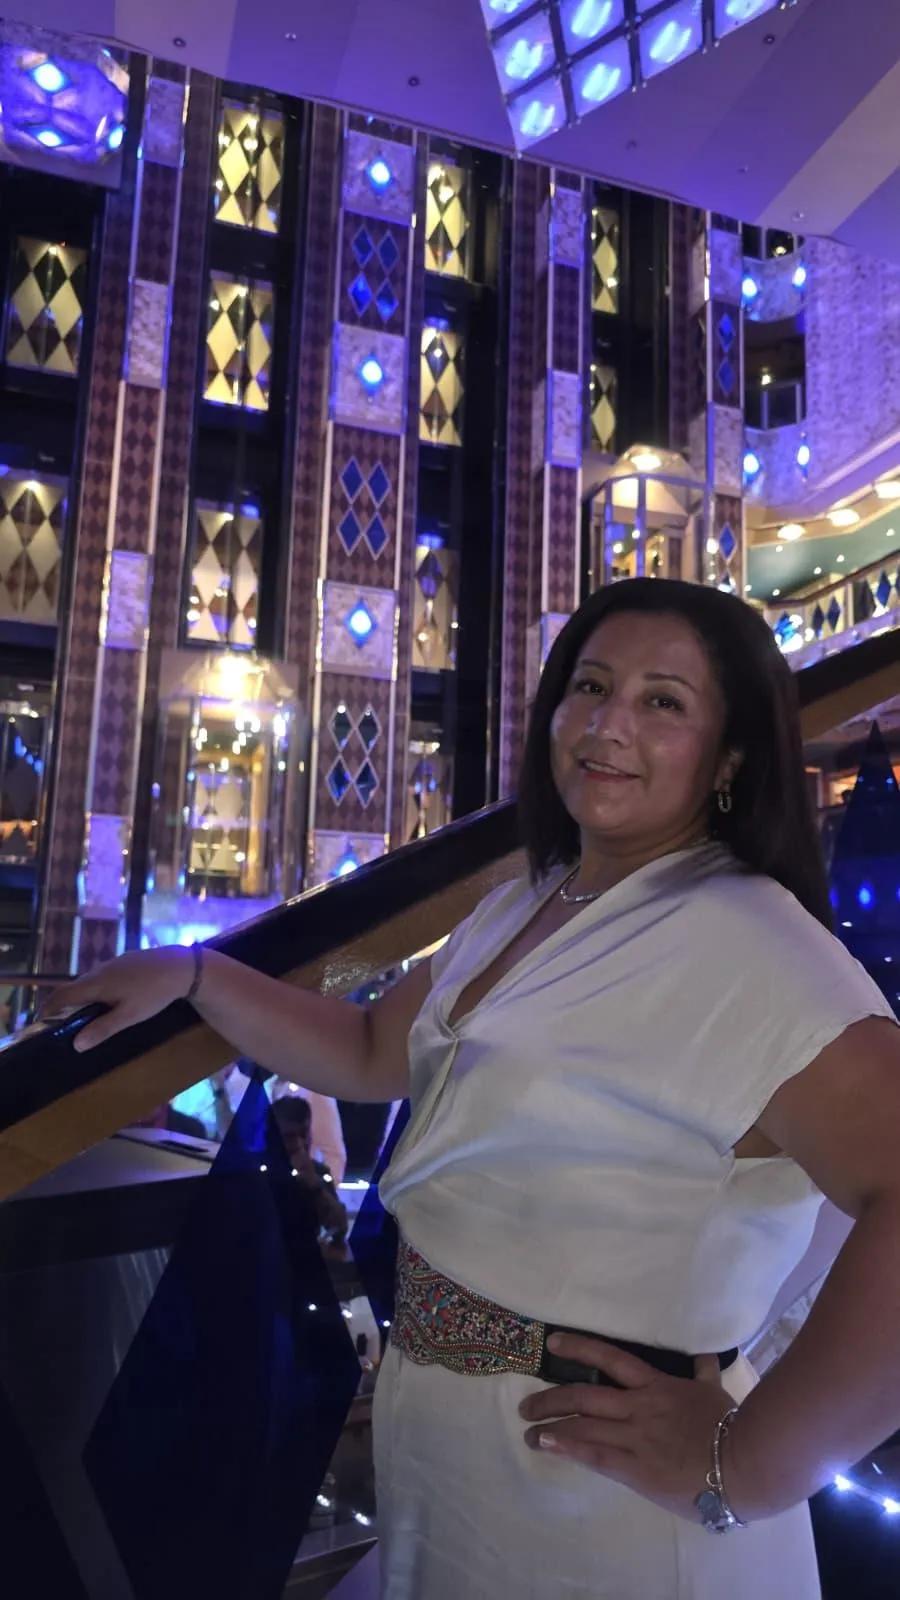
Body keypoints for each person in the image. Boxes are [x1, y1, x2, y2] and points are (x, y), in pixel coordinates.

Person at [47, 577, 900, 1599]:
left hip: (609, 1501)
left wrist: (748, 1466)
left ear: (730, 759)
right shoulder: (529, 901)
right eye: (591, 686)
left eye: (662, 701)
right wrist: (197, 974)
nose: (607, 725)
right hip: (459, 1452)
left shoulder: (749, 944)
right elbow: (374, 1047)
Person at [270, 1095, 349, 1244]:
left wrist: (315, 1186)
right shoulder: (253, 1171)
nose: (300, 1143)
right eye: (290, 1136)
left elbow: (339, 1230)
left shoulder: (318, 1172)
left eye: (304, 1134)